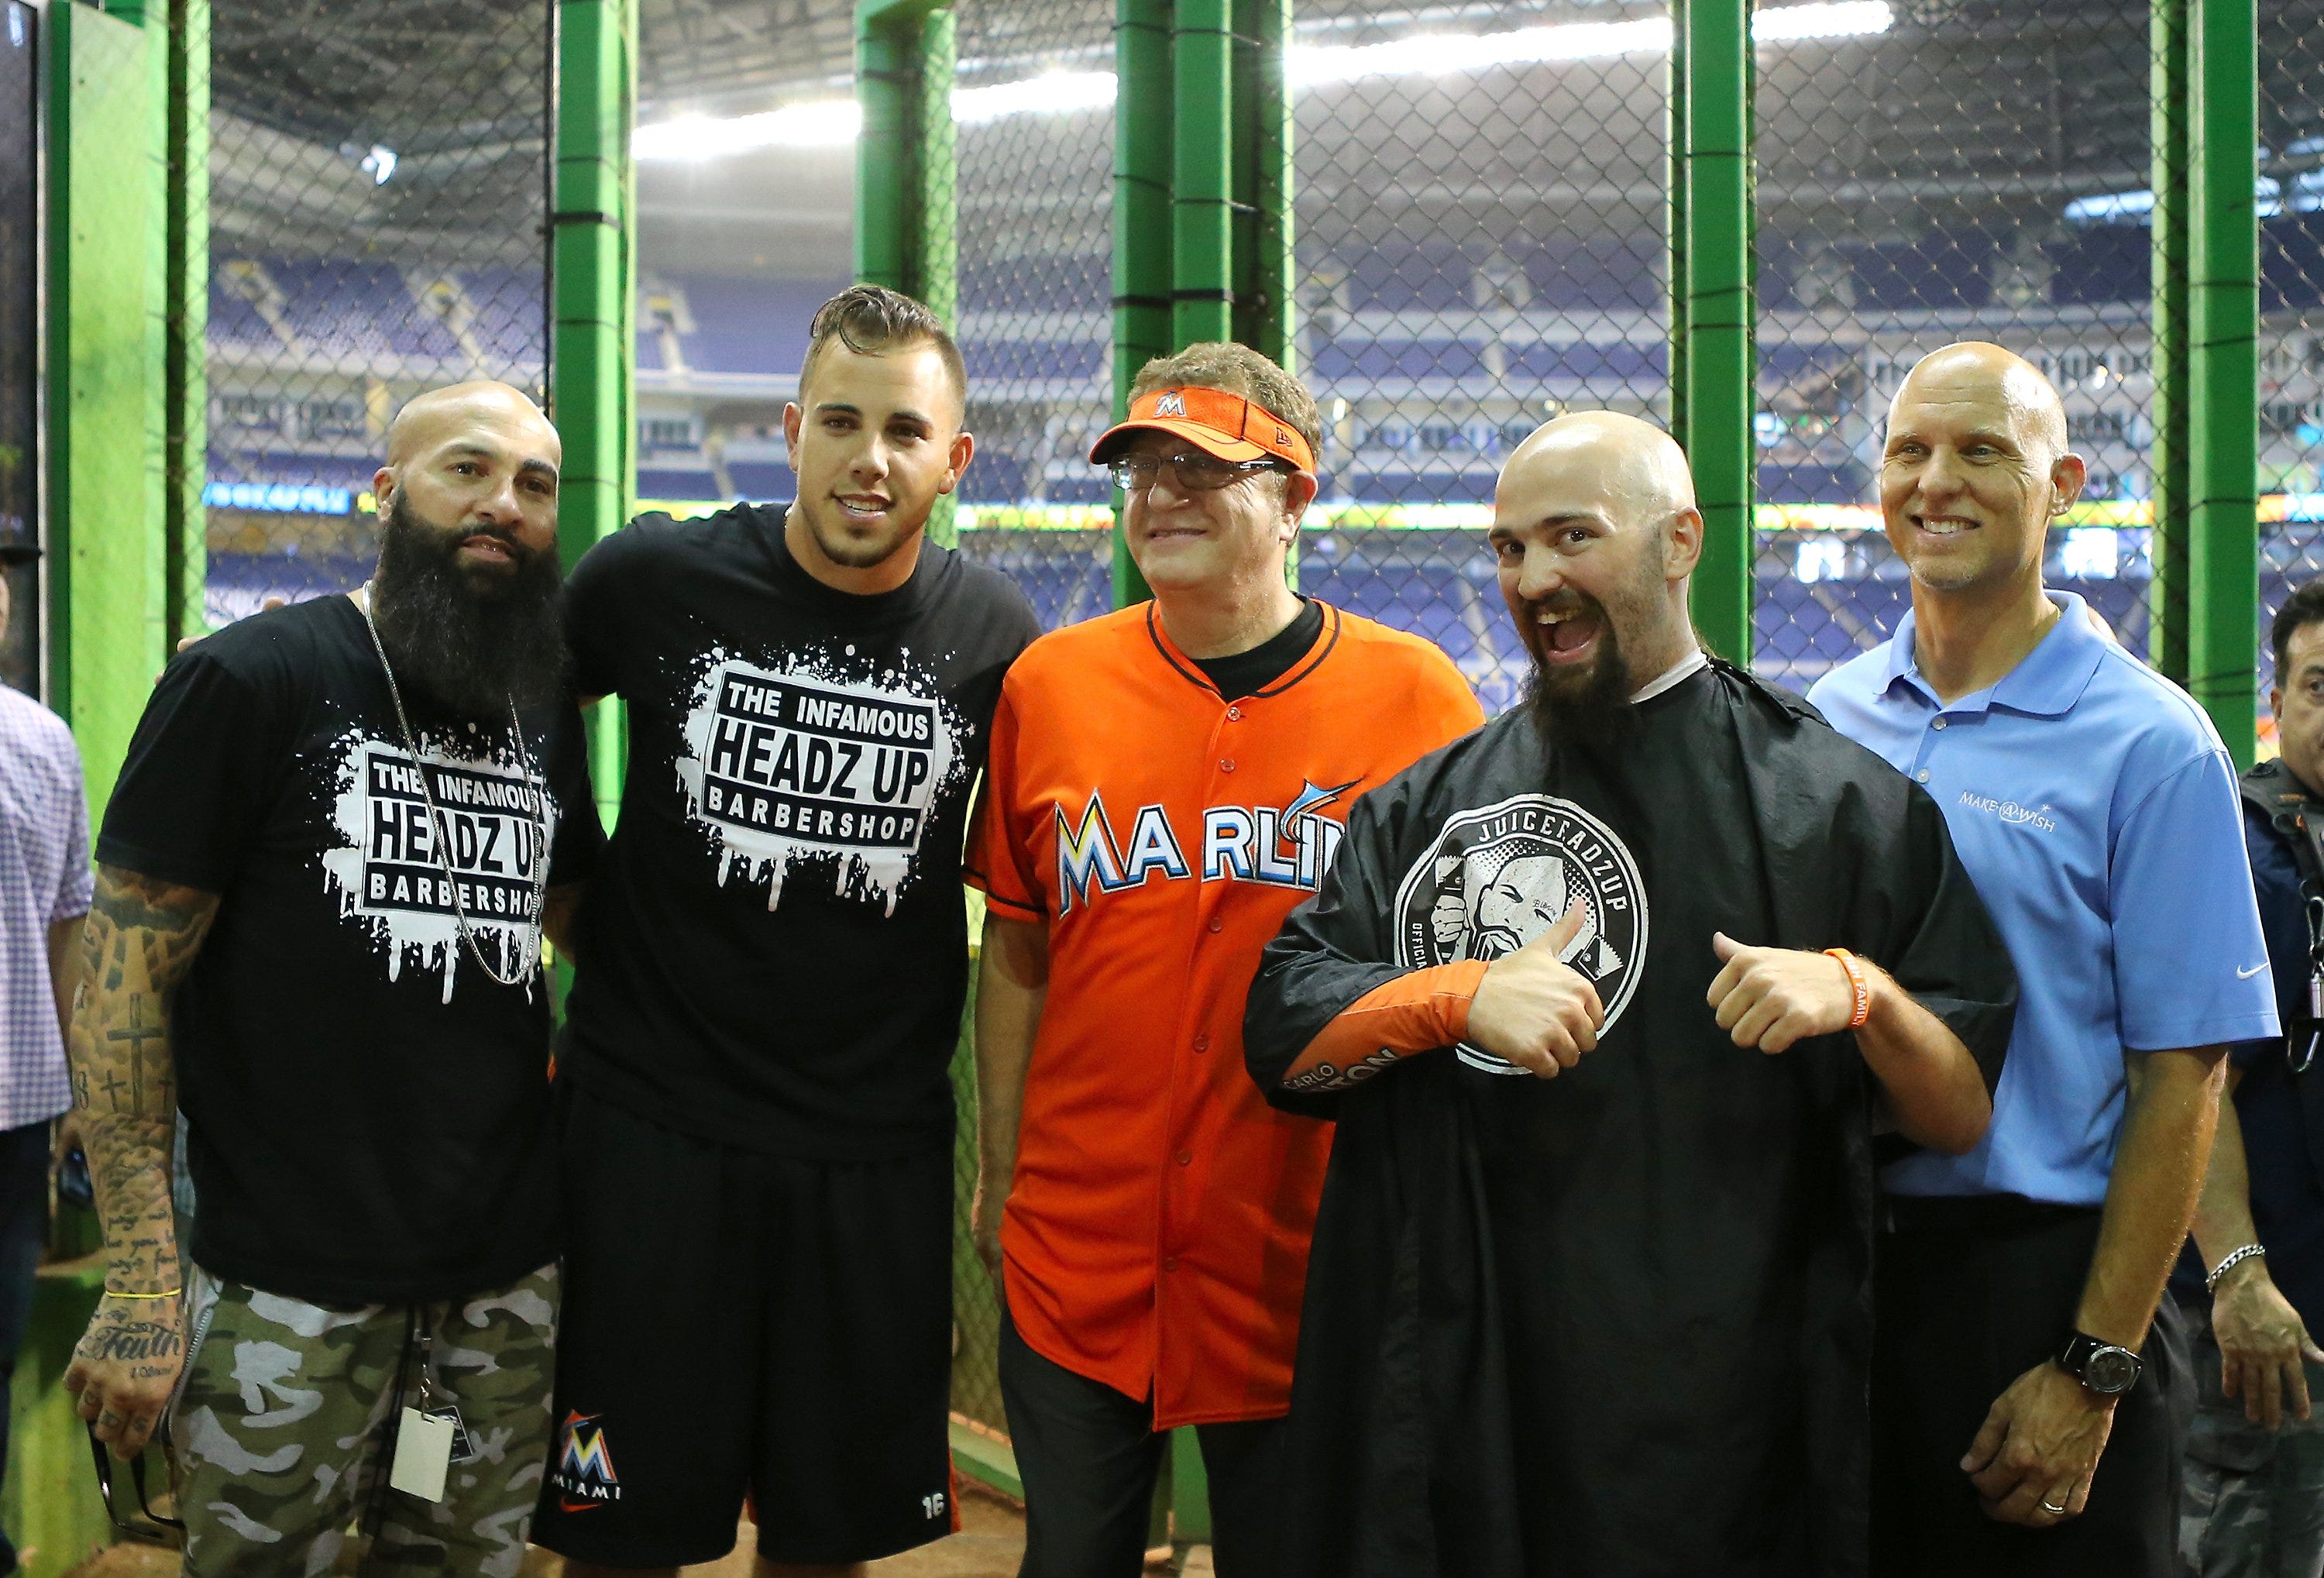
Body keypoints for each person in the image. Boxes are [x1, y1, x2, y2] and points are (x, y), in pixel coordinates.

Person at [1241, 410, 2016, 1576]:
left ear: (1679, 542)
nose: (1535, 580)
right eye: (1509, 549)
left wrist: (1864, 993)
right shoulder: (1426, 805)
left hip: (1718, 1432)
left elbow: (1960, 1113)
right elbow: (1279, 1038)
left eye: (1572, 538)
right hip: (1467, 1405)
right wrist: (1454, 997)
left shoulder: (1838, 806)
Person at [531, 286, 1040, 1578]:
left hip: (871, 1148)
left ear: (953, 459)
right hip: (650, 1123)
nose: (870, 459)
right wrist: (572, 885)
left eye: (905, 433)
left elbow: (1034, 898)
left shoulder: (996, 637)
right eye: (842, 421)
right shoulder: (653, 575)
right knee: (620, 1533)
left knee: (830, 1540)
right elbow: (513, 702)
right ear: (793, 427)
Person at [60, 380, 600, 1576]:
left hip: (494, 1298)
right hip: (287, 1294)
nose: (502, 505)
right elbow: (123, 988)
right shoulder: (254, 680)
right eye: (467, 469)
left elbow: (586, 926)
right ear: (385, 492)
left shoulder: (538, 706)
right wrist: (146, 1276)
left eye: (535, 485)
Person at [966, 343, 1483, 1577]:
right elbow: (1018, 952)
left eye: (1205, 468)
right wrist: (999, 1170)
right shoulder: (1053, 682)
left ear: (1297, 499)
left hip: (1303, 1249)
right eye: (1144, 465)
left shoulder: (1419, 697)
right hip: (1080, 1238)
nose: (1162, 493)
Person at [1809, 342, 2278, 1575]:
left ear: (2061, 480)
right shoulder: (1829, 716)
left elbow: (2185, 1082)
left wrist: (2095, 1364)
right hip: (1851, 1280)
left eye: (1980, 451)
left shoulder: (2153, 743)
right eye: (1909, 450)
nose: (1935, 481)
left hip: (2051, 1286)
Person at [2171, 579, 2324, 1576]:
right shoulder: (2248, 853)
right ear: (2280, 703)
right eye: (2320, 686)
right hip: (2275, 1332)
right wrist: (2239, 1275)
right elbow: (2192, 1075)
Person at [0, 554, 91, 1575]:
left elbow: (72, 921)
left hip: (15, 1103)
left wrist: (76, 1086)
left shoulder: (41, 741)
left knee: (1, 1342)